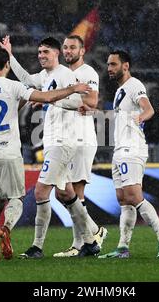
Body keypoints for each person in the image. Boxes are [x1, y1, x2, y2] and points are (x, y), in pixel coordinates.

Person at [0, 47, 92, 262]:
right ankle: (6, 227)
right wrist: (72, 89)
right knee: (16, 198)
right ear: (6, 65)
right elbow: (47, 97)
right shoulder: (13, 86)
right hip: (10, 152)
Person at [0, 35, 101, 258]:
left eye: (46, 52)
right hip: (53, 141)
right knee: (65, 193)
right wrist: (10, 55)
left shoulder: (66, 75)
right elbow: (26, 77)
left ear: (56, 54)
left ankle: (37, 247)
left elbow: (80, 103)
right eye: (39, 53)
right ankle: (91, 238)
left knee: (40, 191)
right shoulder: (45, 76)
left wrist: (51, 99)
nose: (41, 56)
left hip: (64, 141)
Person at [99, 50, 159, 259]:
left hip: (132, 149)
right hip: (120, 149)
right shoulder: (119, 91)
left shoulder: (134, 85)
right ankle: (123, 247)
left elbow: (148, 109)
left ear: (126, 66)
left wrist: (140, 119)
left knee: (133, 195)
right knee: (123, 198)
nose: (109, 69)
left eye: (113, 64)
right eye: (108, 65)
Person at [51, 35, 107, 257]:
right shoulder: (62, 74)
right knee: (62, 193)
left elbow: (93, 101)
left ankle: (79, 244)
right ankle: (94, 231)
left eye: (72, 47)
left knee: (76, 192)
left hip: (82, 139)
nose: (68, 51)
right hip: (65, 139)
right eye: (65, 47)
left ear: (82, 51)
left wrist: (59, 99)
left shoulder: (88, 73)